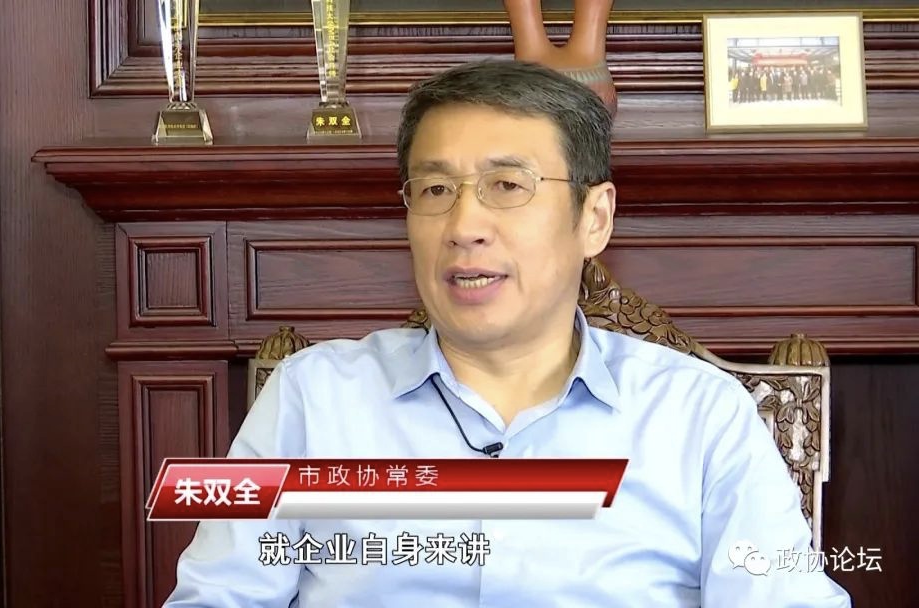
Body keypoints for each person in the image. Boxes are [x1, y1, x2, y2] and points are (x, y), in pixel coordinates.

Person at [164, 60, 851, 608]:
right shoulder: (310, 396)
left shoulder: (700, 414)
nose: (464, 226)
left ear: (594, 218)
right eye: (435, 190)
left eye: (507, 185)